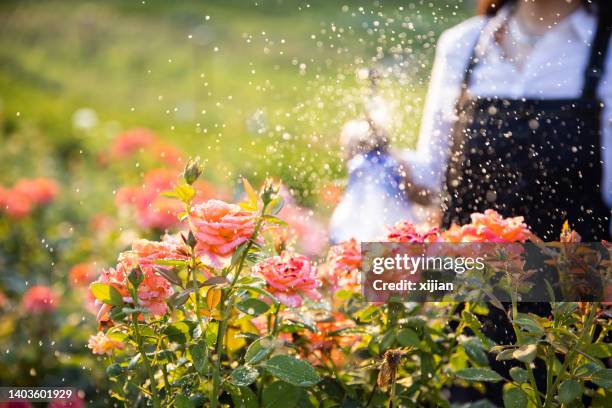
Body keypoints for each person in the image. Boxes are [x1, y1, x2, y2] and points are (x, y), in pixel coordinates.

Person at [400, 0, 611, 241]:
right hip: (464, 272)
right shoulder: (463, 44)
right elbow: (433, 182)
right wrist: (378, 156)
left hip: (576, 274)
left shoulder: (607, 51)